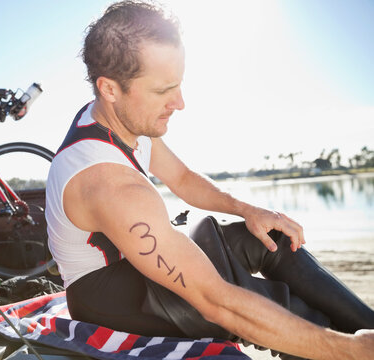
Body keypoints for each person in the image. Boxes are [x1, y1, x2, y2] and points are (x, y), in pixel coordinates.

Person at [45, 1, 374, 359]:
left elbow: (183, 178)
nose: (180, 102)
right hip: (109, 299)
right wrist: (351, 349)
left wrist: (248, 209)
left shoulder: (123, 119)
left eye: (178, 85)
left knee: (272, 240)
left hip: (140, 261)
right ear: (109, 88)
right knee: (277, 307)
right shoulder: (109, 185)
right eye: (162, 91)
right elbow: (217, 302)